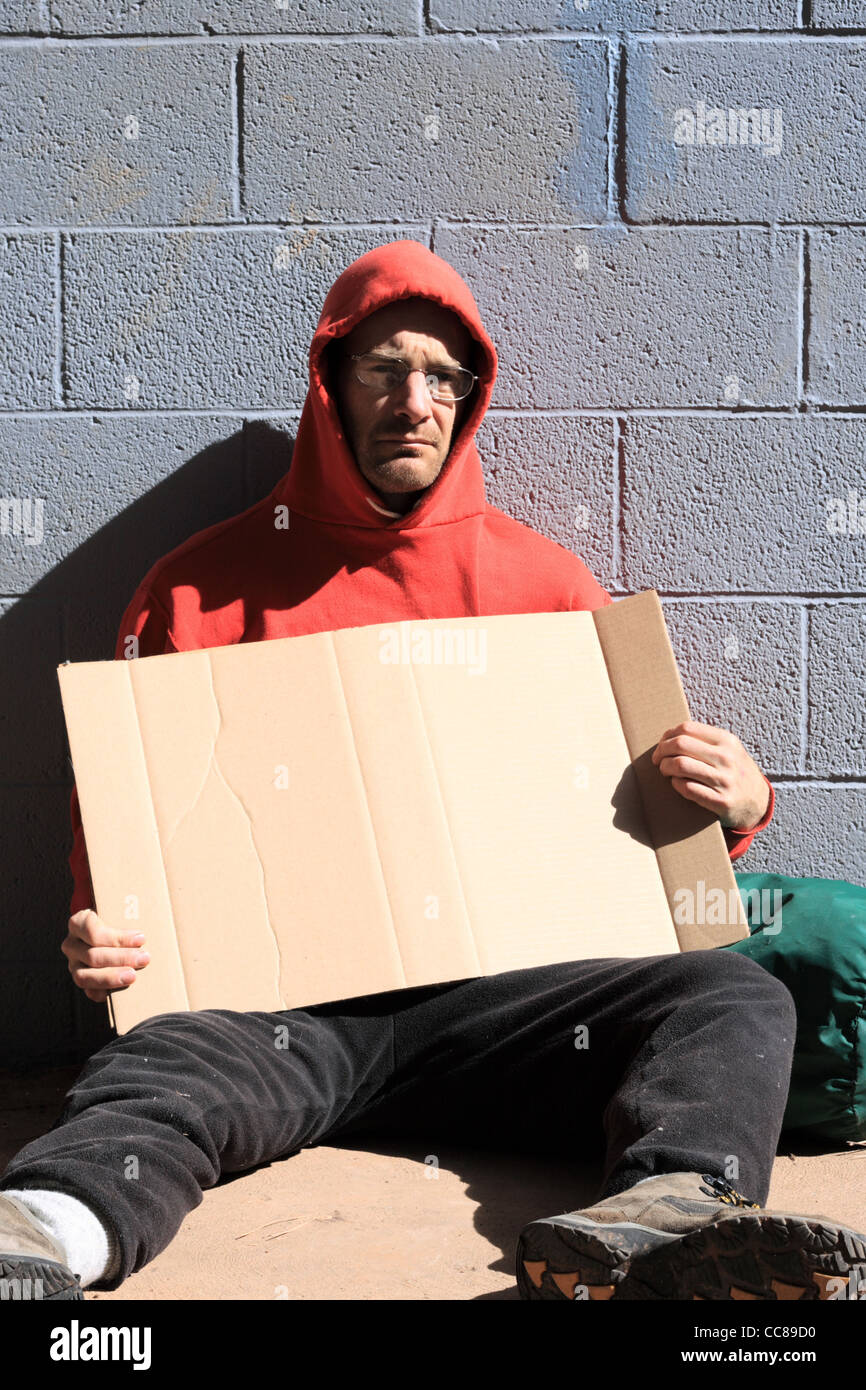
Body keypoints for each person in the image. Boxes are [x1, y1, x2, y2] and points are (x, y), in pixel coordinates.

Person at [1, 240, 863, 1303]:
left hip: (507, 1016)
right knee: (157, 1069)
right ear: (330, 381)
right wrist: (103, 928)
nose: (414, 400)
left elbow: (644, 848)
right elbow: (124, 856)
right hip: (287, 1026)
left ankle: (671, 1223)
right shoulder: (195, 590)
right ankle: (45, 1239)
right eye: (383, 369)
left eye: (442, 375)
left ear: (470, 396)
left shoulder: (546, 587)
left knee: (730, 996)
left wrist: (738, 808)